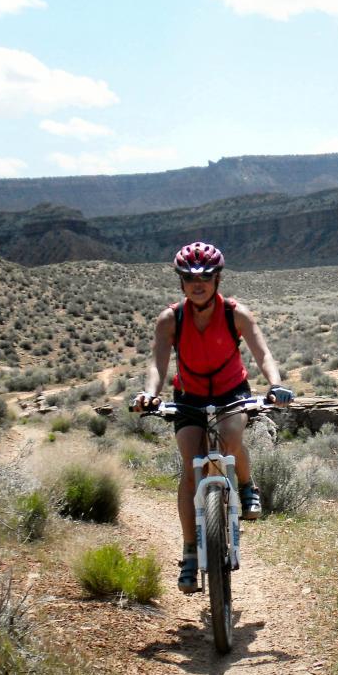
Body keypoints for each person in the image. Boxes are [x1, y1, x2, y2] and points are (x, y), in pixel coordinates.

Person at [133, 241, 294, 594]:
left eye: (205, 276)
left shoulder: (235, 313)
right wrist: (150, 395)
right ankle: (190, 552)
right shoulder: (170, 319)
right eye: (189, 278)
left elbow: (262, 352)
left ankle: (247, 485)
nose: (198, 283)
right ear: (180, 283)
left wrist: (276, 384)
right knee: (191, 465)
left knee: (230, 433)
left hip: (230, 391)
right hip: (188, 396)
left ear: (217, 278)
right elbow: (157, 364)